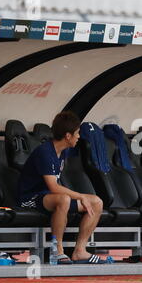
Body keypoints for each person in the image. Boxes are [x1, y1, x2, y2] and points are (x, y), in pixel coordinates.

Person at [17, 111, 105, 264]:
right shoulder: (44, 152)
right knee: (63, 199)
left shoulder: (63, 151)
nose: (79, 137)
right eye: (77, 133)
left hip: (49, 197)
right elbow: (53, 187)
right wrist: (80, 196)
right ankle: (57, 250)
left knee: (96, 202)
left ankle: (80, 251)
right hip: (30, 198)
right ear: (68, 136)